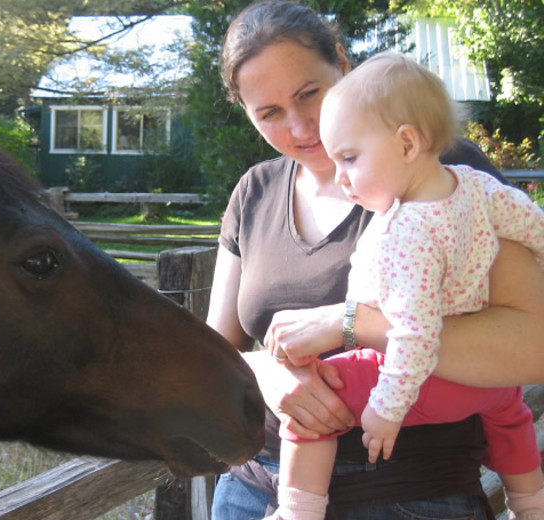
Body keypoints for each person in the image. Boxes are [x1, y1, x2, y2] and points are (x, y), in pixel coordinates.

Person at [207, 1, 544, 519]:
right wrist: (272, 376)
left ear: (342, 65)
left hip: (414, 497)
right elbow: (215, 352)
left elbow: (535, 344)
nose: (301, 129)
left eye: (309, 95)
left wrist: (351, 324)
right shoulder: (254, 192)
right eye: (270, 114)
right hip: (255, 492)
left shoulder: (442, 172)